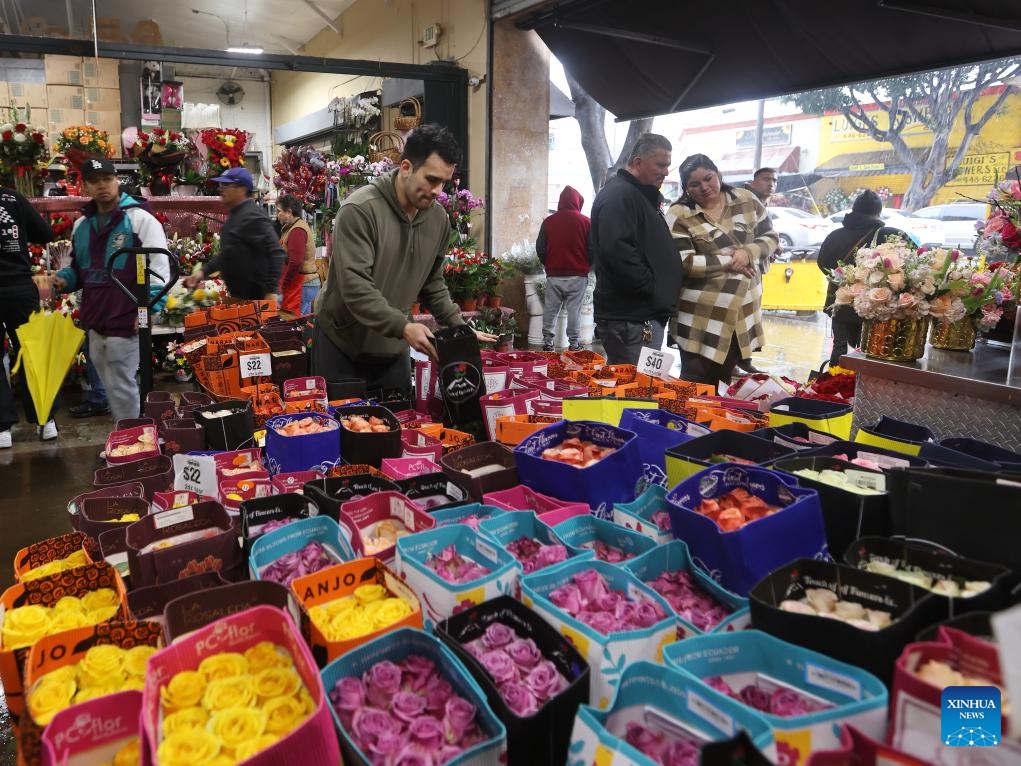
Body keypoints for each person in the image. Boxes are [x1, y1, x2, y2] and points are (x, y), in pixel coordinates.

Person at [312, 124, 496, 396]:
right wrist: (404, 327)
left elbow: (432, 283)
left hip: (392, 347)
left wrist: (459, 327)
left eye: (444, 182)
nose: (437, 191)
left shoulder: (437, 219)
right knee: (343, 433)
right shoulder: (361, 210)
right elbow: (355, 288)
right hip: (341, 345)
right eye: (432, 180)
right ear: (407, 167)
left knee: (399, 429)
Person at [52, 158, 170, 426]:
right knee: (110, 384)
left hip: (125, 317)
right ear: (85, 186)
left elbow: (160, 270)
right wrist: (64, 280)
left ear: (117, 180)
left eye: (107, 178)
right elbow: (79, 269)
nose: (102, 185)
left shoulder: (140, 220)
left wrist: (148, 310)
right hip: (95, 320)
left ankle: (130, 441)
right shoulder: (82, 225)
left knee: (121, 385)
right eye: (95, 180)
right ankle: (128, 436)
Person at [667, 154, 778, 387]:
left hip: (742, 315)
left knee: (723, 385)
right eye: (694, 184)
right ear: (686, 188)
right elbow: (681, 262)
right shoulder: (679, 214)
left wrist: (747, 252)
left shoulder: (746, 200)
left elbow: (771, 237)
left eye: (708, 178)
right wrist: (727, 261)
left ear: (718, 174)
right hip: (700, 317)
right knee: (694, 385)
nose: (704, 187)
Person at [589, 133, 683, 365]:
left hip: (640, 315)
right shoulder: (620, 195)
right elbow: (617, 252)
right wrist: (650, 288)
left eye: (668, 165)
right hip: (632, 317)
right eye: (660, 165)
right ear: (638, 162)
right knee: (635, 389)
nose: (666, 172)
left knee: (640, 387)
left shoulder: (636, 194)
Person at [817, 189, 908, 367]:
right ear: (878, 212)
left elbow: (822, 263)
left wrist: (844, 281)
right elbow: (910, 263)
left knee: (840, 348)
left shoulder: (834, 236)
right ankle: (860, 387)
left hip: (840, 302)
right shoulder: (889, 235)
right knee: (869, 350)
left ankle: (833, 385)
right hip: (875, 305)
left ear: (854, 209)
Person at [0, 187, 56, 448]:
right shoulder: (12, 198)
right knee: (33, 353)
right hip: (19, 287)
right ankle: (46, 422)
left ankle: (2, 429)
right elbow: (44, 233)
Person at [184, 167, 285, 301]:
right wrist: (202, 273)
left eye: (226, 185)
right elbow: (228, 254)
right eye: (220, 185)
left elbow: (277, 253)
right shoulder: (237, 215)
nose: (220, 189)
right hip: (243, 300)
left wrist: (270, 291)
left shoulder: (252, 215)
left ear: (242, 189)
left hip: (259, 301)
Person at [734, 166, 778, 375]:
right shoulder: (744, 201)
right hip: (739, 268)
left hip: (754, 268)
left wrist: (769, 248)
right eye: (766, 179)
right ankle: (737, 359)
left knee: (750, 315)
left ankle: (743, 358)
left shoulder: (761, 204)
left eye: (774, 180)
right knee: (738, 315)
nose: (771, 183)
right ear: (753, 181)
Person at [536, 185, 591, 352]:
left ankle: (547, 342)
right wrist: (587, 265)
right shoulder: (586, 222)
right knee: (574, 310)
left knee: (551, 309)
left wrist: (549, 263)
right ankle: (574, 343)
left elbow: (540, 247)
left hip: (554, 275)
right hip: (578, 275)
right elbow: (593, 248)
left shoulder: (549, 222)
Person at [275, 194, 313, 317]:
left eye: (279, 211)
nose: (277, 215)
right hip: (301, 283)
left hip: (301, 284)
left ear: (289, 212)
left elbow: (296, 262)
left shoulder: (297, 230)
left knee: (296, 323)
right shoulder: (293, 228)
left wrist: (284, 285)